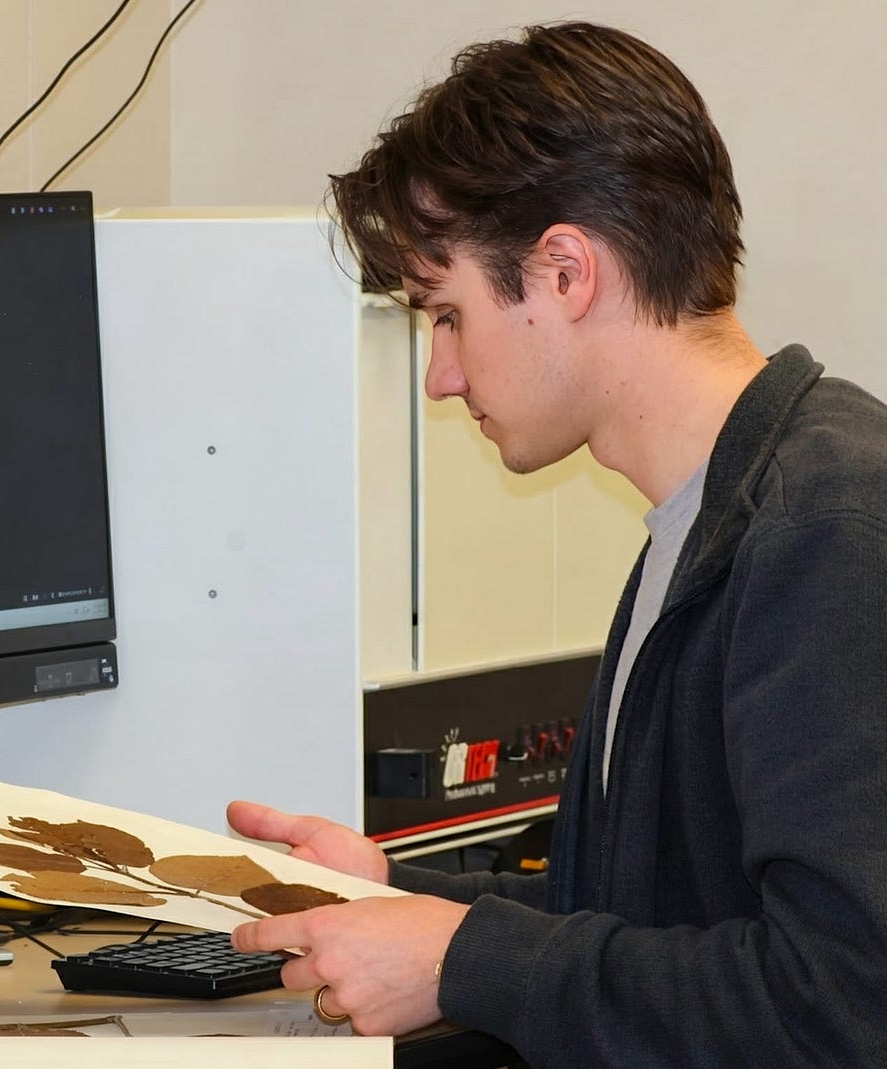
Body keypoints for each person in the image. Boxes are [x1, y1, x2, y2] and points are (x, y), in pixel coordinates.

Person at [228, 20, 887, 1067]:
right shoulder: (708, 517)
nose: (441, 377)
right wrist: (389, 893)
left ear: (566, 272)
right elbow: (642, 917)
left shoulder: (831, 529)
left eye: (446, 316)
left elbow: (842, 1007)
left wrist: (461, 961)